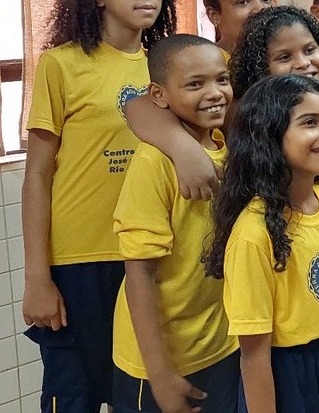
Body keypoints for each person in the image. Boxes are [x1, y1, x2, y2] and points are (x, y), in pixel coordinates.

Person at [22, 0, 177, 412]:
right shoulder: (62, 65)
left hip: (151, 253)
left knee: (138, 392)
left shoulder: (167, 67)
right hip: (82, 259)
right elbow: (38, 176)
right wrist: (37, 277)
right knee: (76, 394)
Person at [205, 74, 319, 412]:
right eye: (309, 122)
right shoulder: (253, 234)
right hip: (285, 369)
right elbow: (255, 354)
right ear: (271, 136)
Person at [111, 35, 238, 412]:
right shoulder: (155, 163)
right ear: (160, 95)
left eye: (222, 79)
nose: (215, 93)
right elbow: (140, 274)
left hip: (218, 346)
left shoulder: (225, 145)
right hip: (157, 361)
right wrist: (159, 373)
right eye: (195, 84)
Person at [125, 5, 319, 201]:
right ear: (260, 66)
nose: (303, 63)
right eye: (284, 58)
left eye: (309, 50)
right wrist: (183, 148)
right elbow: (137, 107)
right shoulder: (244, 113)